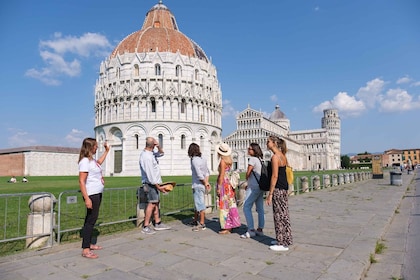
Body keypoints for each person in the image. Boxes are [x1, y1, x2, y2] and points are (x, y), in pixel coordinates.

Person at [78, 137, 110, 259]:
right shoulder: (85, 161)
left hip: (97, 193)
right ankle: (85, 249)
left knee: (91, 220)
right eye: (96, 146)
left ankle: (89, 243)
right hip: (91, 194)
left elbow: (99, 163)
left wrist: (107, 151)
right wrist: (87, 199)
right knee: (90, 221)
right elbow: (81, 181)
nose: (97, 147)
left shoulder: (91, 161)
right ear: (90, 147)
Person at [266, 135, 293, 251]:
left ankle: (281, 243)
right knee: (284, 214)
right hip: (284, 187)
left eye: (268, 142)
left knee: (278, 214)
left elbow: (275, 175)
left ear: (274, 143)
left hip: (278, 188)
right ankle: (285, 238)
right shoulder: (283, 156)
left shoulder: (275, 157)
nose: (267, 143)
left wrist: (270, 193)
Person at [139, 136, 171, 234]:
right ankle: (146, 226)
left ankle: (158, 223)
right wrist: (159, 187)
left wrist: (159, 146)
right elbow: (150, 175)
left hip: (154, 183)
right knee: (151, 204)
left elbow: (161, 153)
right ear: (153, 145)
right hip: (151, 184)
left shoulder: (150, 154)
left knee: (156, 202)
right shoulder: (147, 157)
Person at [240, 143, 265, 238]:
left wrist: (247, 180)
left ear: (254, 150)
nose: (248, 150)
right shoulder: (260, 159)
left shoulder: (253, 159)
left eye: (249, 149)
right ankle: (260, 229)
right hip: (260, 187)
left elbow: (248, 172)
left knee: (246, 207)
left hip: (253, 187)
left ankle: (250, 229)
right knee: (260, 208)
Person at [216, 142, 241, 234]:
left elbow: (222, 175)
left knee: (224, 205)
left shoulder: (223, 161)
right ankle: (232, 224)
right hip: (229, 184)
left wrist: (218, 187)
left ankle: (227, 227)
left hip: (224, 184)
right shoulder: (229, 160)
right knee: (231, 204)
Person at [188, 143, 211, 231]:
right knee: (197, 204)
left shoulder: (194, 160)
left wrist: (205, 183)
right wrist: (207, 182)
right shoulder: (203, 158)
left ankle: (202, 223)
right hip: (202, 183)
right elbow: (207, 172)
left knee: (200, 204)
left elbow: (199, 175)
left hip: (197, 184)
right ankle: (195, 220)